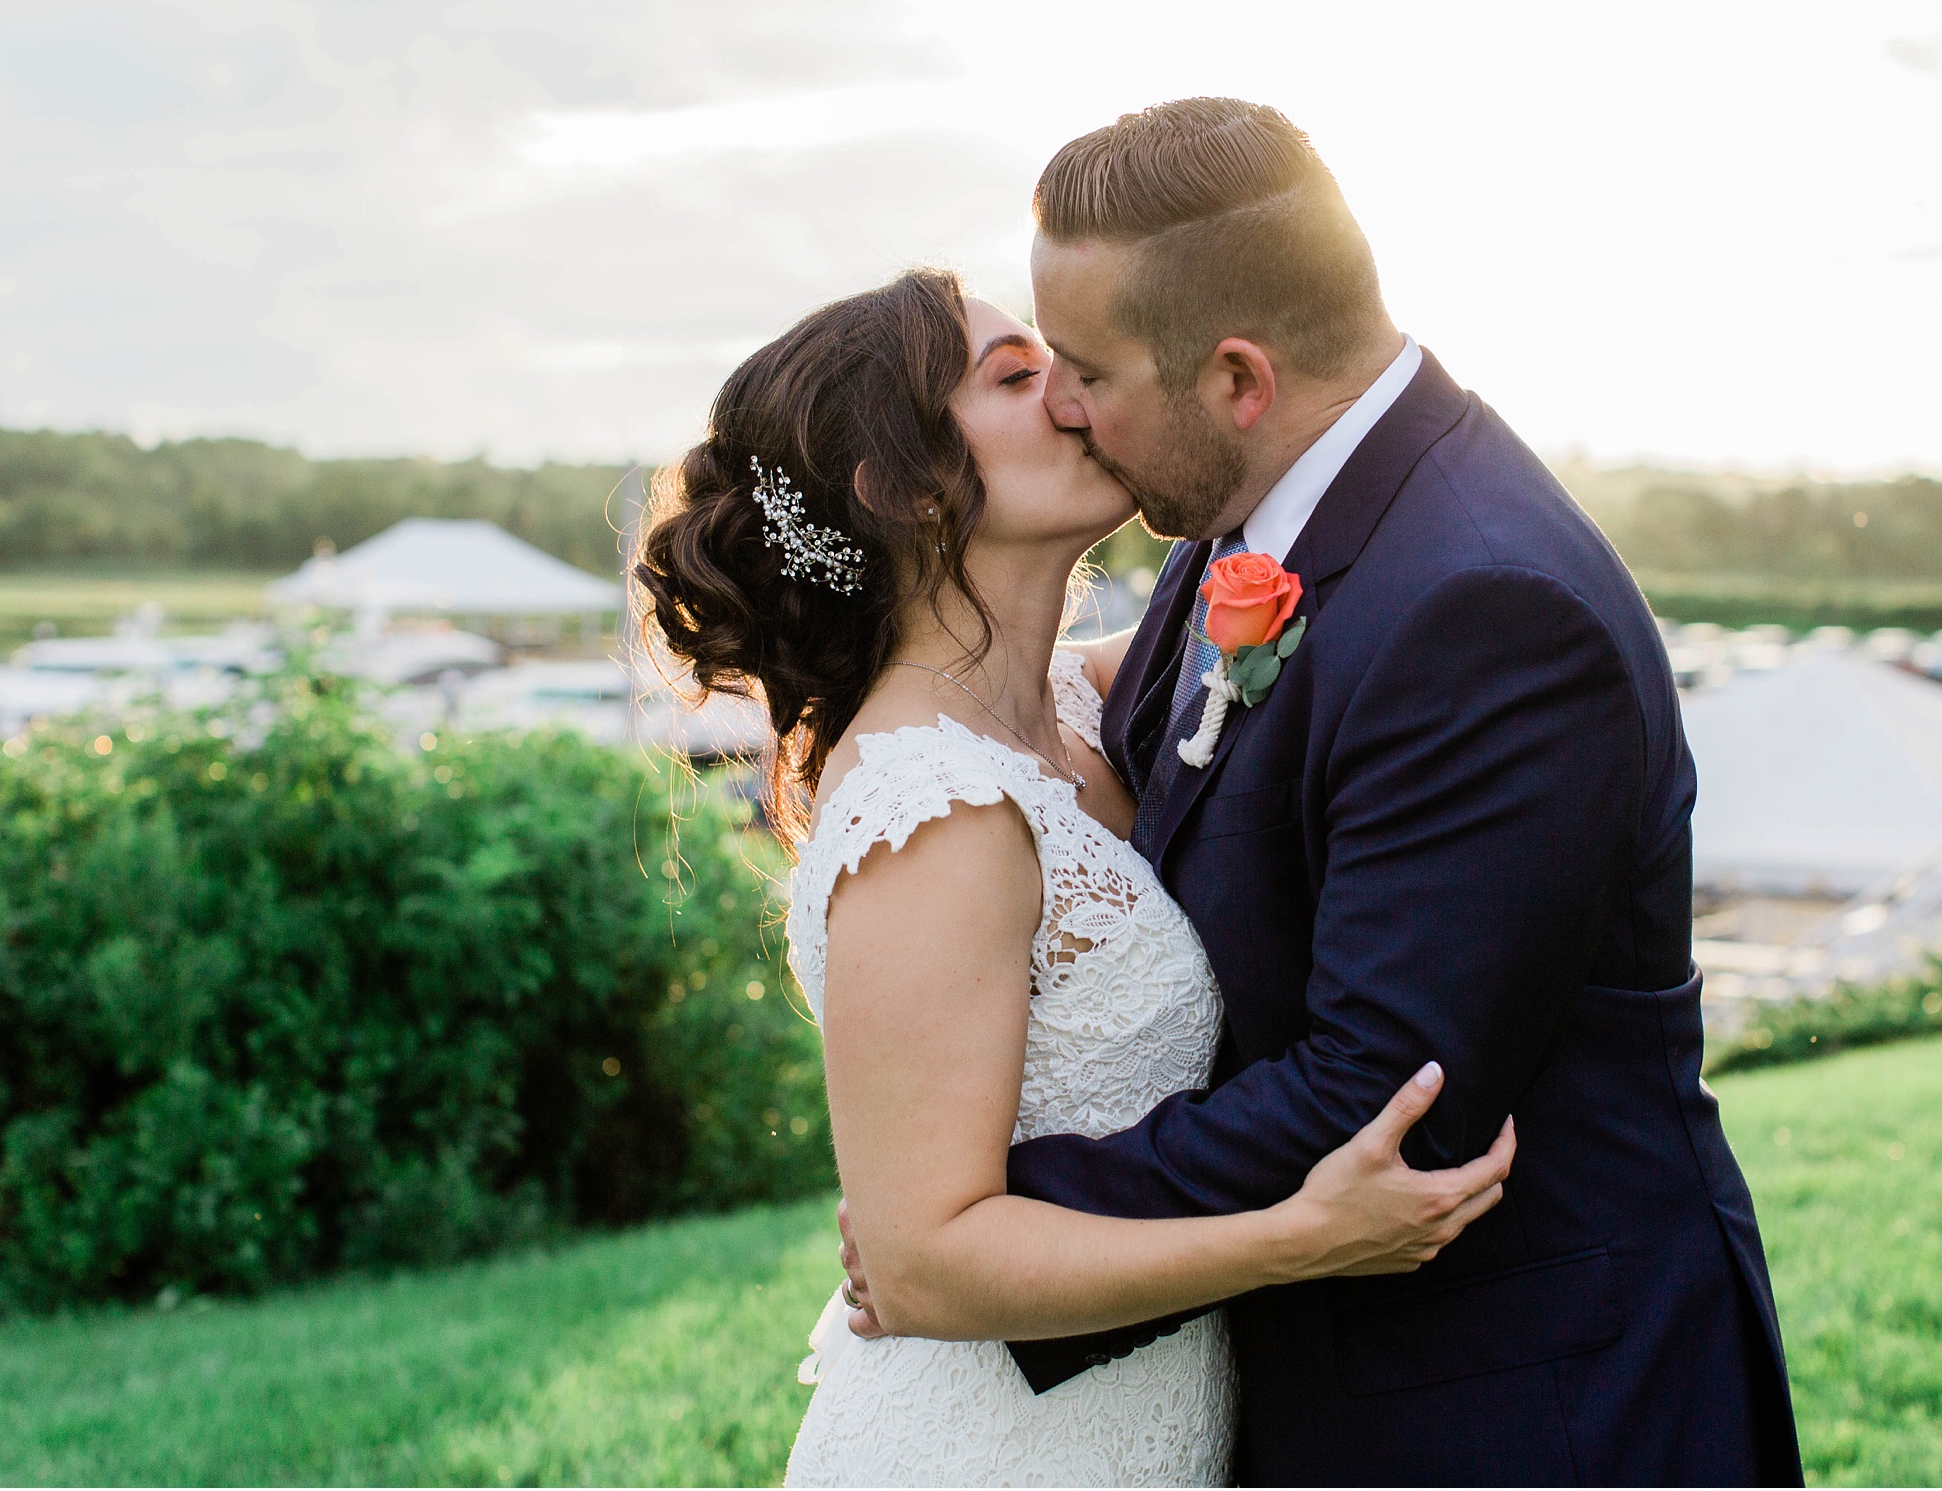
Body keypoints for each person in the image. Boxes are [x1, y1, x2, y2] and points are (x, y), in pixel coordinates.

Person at [839, 99, 1805, 1485]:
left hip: (1525, 1406)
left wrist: (974, 1233)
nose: (1067, 403)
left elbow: (1386, 1084)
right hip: (1326, 1378)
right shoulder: (1242, 521)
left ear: (1237, 376)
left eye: (1091, 370)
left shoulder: (1487, 606)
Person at [634, 267, 1517, 1487]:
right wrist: (1295, 1239)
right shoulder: (935, 814)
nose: (1076, 390)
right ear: (899, 487)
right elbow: (923, 1263)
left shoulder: (1080, 701)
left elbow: (1325, 610)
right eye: (1014, 374)